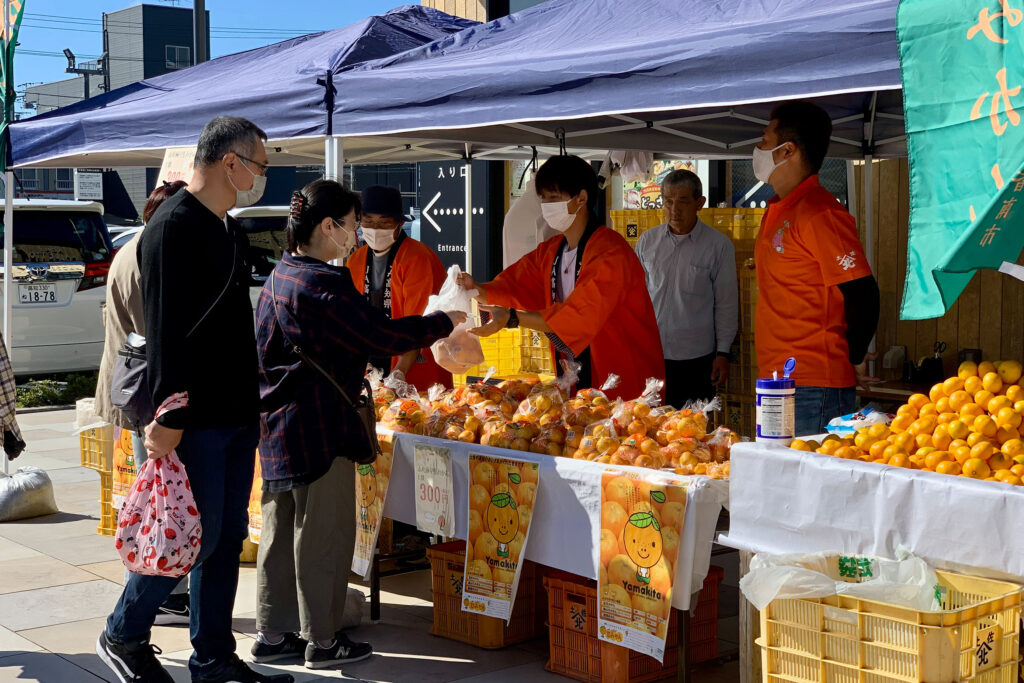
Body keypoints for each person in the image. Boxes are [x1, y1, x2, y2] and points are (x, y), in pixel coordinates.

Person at [97, 116, 293, 683]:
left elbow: (230, 328)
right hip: (195, 417)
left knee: (226, 538)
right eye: (259, 164)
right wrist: (171, 412)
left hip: (235, 410)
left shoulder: (227, 229)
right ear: (229, 163)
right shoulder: (172, 228)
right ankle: (124, 630)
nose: (262, 176)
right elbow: (164, 331)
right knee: (189, 536)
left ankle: (213, 657)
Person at [252, 181, 462, 670]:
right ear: (328, 226)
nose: (356, 235)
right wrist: (441, 322)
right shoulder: (324, 284)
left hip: (277, 427)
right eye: (351, 224)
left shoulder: (280, 276)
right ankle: (322, 640)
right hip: (320, 427)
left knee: (280, 532)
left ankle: (272, 631)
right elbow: (380, 335)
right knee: (322, 534)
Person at [457, 155, 664, 400]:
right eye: (543, 198)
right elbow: (518, 283)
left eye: (554, 198)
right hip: (577, 374)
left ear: (582, 199)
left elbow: (579, 315)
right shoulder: (553, 250)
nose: (546, 206)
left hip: (623, 374)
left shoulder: (610, 252)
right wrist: (478, 288)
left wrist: (512, 317)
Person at [752, 100, 880, 436]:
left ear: (787, 151)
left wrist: (853, 355)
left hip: (813, 384)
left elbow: (862, 291)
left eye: (765, 141)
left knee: (810, 485)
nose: (758, 148)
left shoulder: (820, 213)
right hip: (777, 381)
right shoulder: (779, 208)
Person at [95, 179, 191, 625]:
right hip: (147, 396)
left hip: (136, 391)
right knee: (161, 501)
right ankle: (159, 595)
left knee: (156, 499)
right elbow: (157, 335)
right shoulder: (148, 255)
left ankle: (162, 588)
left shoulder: (133, 249)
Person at [636, 169, 738, 407]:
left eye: (683, 201)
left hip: (697, 358)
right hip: (653, 353)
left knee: (691, 432)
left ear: (699, 203)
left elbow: (726, 303)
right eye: (668, 201)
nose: (674, 210)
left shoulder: (718, 246)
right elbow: (635, 297)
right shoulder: (647, 242)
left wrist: (723, 353)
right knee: (649, 429)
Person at [346, 185, 449, 390]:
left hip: (415, 369)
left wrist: (398, 375)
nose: (375, 229)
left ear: (399, 224)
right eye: (368, 221)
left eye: (384, 222)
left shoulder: (418, 258)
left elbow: (420, 323)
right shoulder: (356, 260)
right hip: (370, 369)